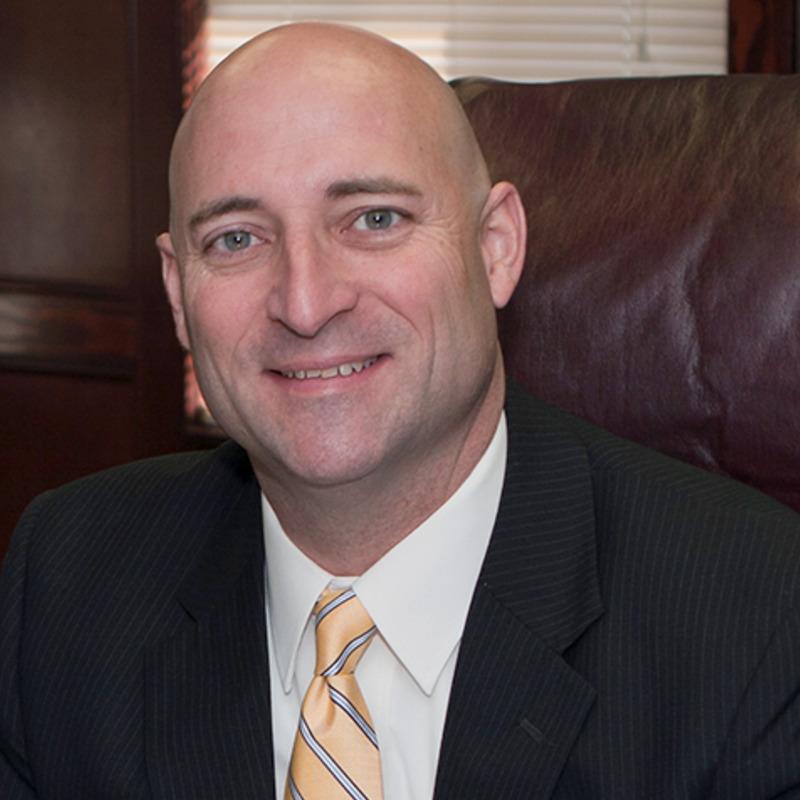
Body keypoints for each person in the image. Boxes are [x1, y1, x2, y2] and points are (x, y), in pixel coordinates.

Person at [1, 21, 800, 800]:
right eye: (237, 239)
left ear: (495, 246)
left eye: (375, 219)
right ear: (178, 293)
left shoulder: (758, 617)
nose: (306, 304)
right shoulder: (68, 580)